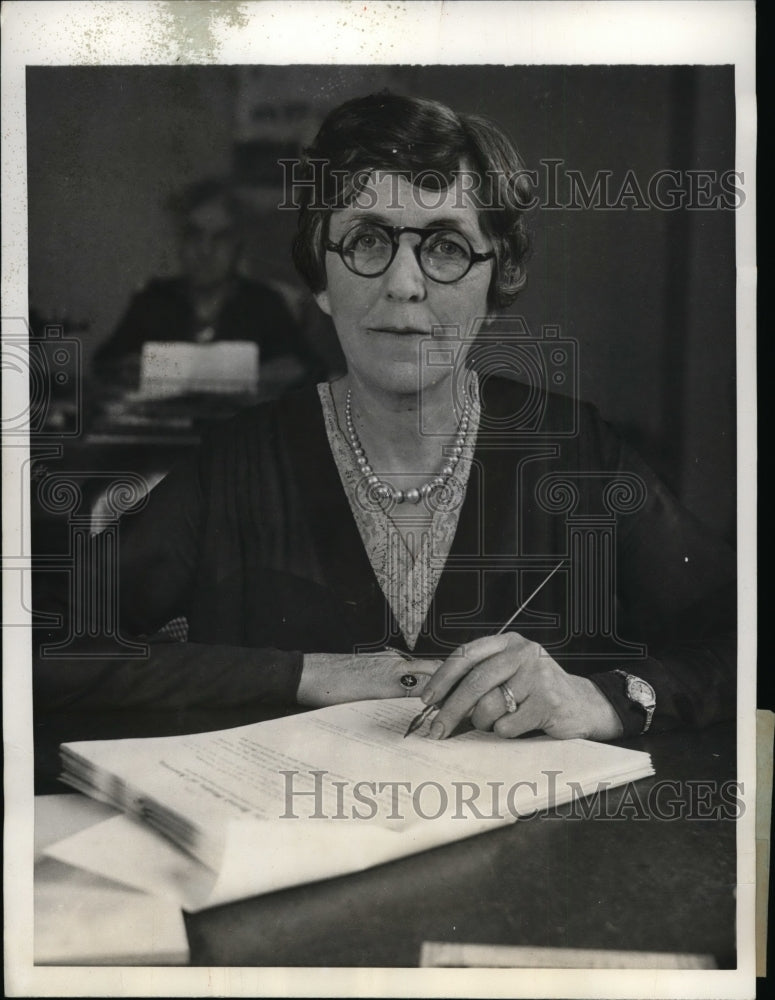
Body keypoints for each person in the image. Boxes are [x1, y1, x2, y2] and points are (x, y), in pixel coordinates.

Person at [36, 93, 735, 744]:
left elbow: (741, 640)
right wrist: (301, 673)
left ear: (495, 284)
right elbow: (39, 645)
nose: (403, 284)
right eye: (368, 240)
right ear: (320, 279)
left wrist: (607, 698)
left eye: (446, 246)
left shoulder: (575, 453)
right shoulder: (235, 467)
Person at [91, 177, 322, 394]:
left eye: (220, 237)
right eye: (194, 235)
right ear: (180, 242)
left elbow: (310, 369)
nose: (205, 250)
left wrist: (266, 376)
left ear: (237, 245)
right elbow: (104, 365)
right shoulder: (153, 299)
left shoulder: (263, 302)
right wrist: (130, 369)